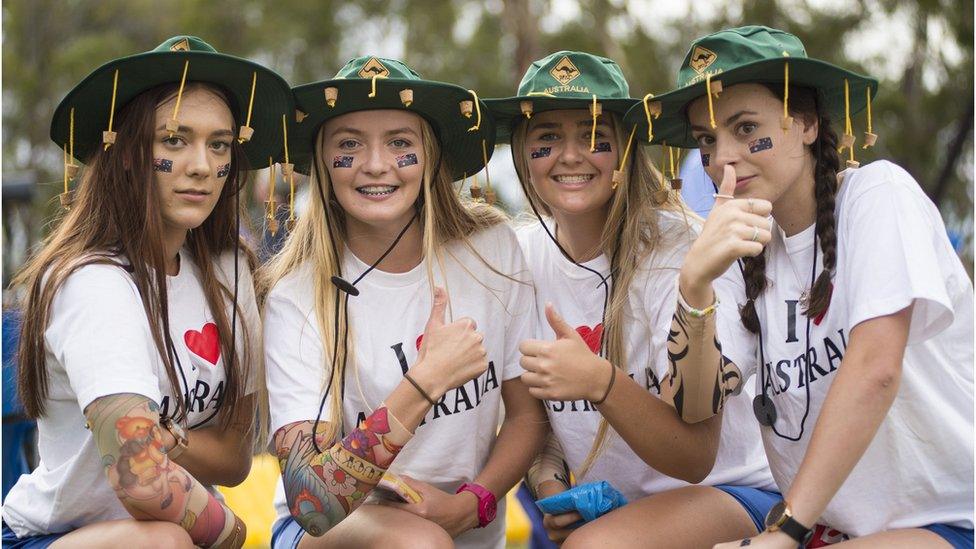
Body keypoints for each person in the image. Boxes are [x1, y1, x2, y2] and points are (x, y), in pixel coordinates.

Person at [634, 25, 974, 548]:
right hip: (831, 531)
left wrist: (786, 530)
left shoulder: (878, 196)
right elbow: (696, 408)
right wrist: (694, 283)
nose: (723, 156)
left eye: (746, 128)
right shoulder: (738, 249)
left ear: (808, 123)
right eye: (707, 139)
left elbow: (875, 371)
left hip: (949, 519)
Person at [2, 35, 294, 548]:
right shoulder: (92, 283)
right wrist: (235, 535)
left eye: (219, 143)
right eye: (174, 140)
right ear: (131, 153)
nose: (202, 166)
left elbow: (233, 459)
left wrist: (164, 438)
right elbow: (143, 483)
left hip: (178, 531)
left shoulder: (232, 272)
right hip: (58, 537)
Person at [486, 50, 776, 548]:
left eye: (594, 136)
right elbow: (535, 421)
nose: (570, 155)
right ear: (521, 153)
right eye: (547, 137)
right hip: (629, 515)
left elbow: (694, 459)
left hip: (736, 493)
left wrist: (601, 382)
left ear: (624, 149)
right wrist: (553, 486)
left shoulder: (685, 250)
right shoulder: (516, 259)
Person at [259, 55, 548, 549]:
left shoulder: (492, 250)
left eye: (400, 142)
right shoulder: (295, 296)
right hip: (329, 532)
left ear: (430, 156)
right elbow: (313, 501)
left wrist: (472, 503)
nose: (376, 164)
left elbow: (527, 416)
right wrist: (427, 379)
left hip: (466, 532)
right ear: (324, 163)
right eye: (349, 144)